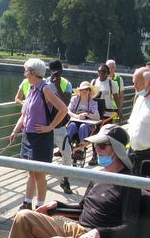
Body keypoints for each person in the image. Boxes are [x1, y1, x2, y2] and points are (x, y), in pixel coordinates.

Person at [2, 124, 140, 238]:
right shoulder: (99, 175)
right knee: (24, 216)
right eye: (95, 146)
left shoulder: (129, 182)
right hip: (78, 229)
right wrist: (59, 205)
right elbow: (83, 207)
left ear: (117, 150)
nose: (97, 150)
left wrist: (98, 233)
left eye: (102, 146)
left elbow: (130, 228)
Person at [9, 58, 68, 210]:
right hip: (28, 136)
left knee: (39, 174)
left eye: (26, 70)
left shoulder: (45, 89)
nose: (24, 73)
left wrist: (50, 127)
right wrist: (15, 130)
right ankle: (27, 202)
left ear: (33, 73)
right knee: (31, 172)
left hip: (41, 137)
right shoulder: (31, 89)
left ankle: (40, 206)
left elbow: (63, 109)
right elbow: (24, 114)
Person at [45, 60, 74, 194]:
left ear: (62, 71)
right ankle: (42, 178)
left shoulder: (66, 84)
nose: (56, 74)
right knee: (45, 155)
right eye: (54, 71)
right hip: (46, 126)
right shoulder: (44, 83)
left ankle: (65, 180)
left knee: (67, 153)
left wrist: (57, 86)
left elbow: (66, 104)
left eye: (59, 71)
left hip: (60, 126)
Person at [66, 81, 100, 145]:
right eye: (82, 89)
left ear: (89, 91)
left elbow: (97, 117)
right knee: (72, 125)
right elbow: (68, 111)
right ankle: (65, 145)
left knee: (83, 126)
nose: (84, 91)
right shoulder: (74, 99)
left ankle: (81, 147)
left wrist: (87, 114)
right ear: (80, 91)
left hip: (88, 125)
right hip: (75, 122)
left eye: (86, 89)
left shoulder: (93, 103)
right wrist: (77, 116)